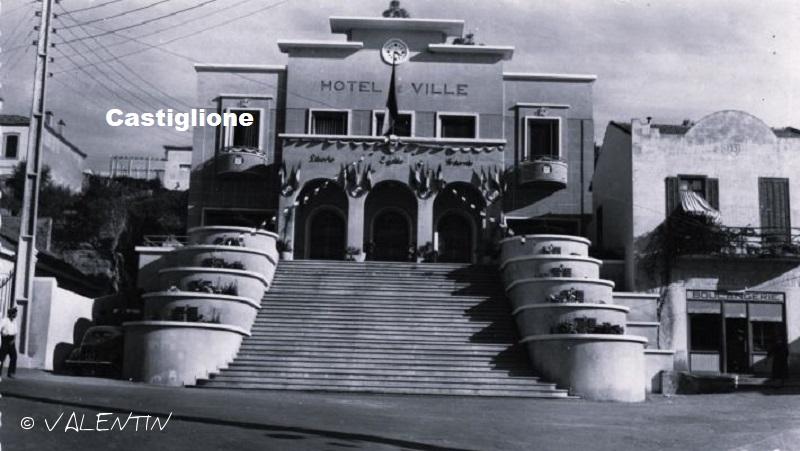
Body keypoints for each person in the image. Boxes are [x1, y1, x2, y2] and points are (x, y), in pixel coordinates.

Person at [0, 307, 19, 380]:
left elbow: (15, 332)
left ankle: (11, 373)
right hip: (5, 339)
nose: (15, 315)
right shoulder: (4, 320)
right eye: (15, 314)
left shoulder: (14, 322)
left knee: (14, 356)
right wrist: (2, 334)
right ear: (11, 314)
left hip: (11, 340)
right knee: (1, 358)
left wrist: (13, 340)